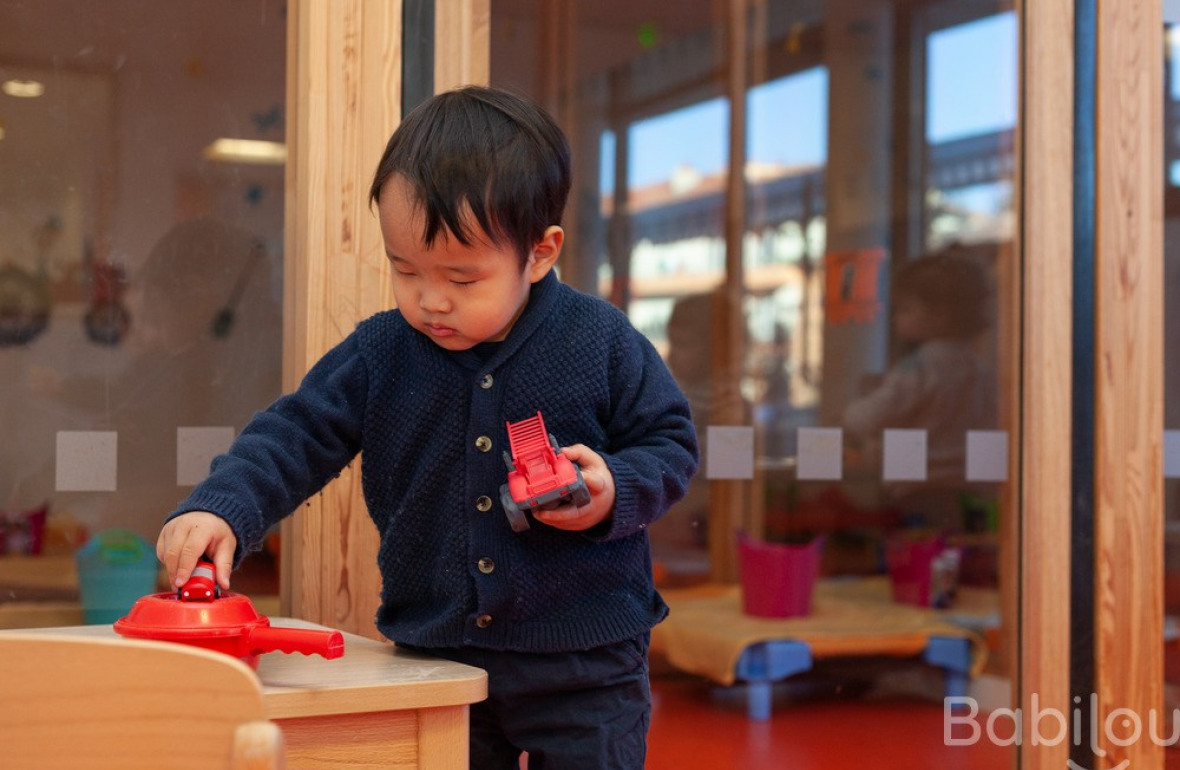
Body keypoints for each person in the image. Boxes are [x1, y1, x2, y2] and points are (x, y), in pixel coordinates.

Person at [156, 85, 699, 769]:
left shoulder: (601, 340)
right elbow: (295, 434)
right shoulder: (382, 350)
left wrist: (613, 488)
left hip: (588, 664)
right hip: (438, 660)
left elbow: (671, 444)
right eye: (404, 269)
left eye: (462, 278)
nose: (430, 299)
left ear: (540, 252)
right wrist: (223, 507)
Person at [841, 247, 995, 530]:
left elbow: (868, 417)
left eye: (906, 309)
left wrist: (849, 415)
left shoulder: (919, 367)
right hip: (970, 491)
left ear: (940, 315)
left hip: (918, 491)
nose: (897, 318)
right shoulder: (978, 367)